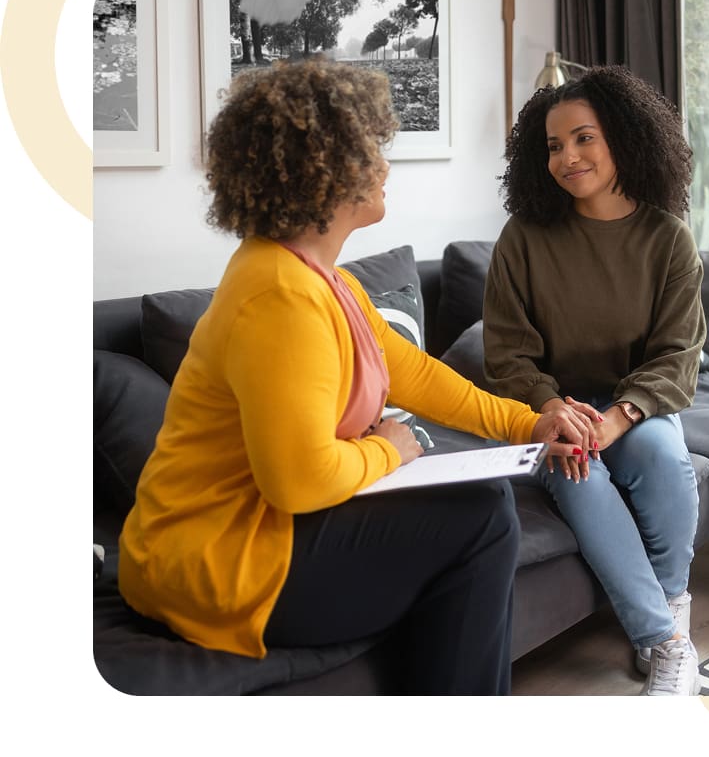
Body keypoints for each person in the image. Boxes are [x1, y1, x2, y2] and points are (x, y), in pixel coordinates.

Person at [117, 58, 597, 696]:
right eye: (370, 149)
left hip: (267, 532)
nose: (384, 166)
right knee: (480, 518)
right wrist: (389, 448)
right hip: (219, 562)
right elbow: (298, 480)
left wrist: (528, 421)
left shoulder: (327, 282)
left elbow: (416, 376)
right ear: (325, 170)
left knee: (479, 504)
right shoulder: (280, 294)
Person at [482, 65, 706, 696]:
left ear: (625, 140)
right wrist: (553, 407)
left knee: (665, 459)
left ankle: (671, 607)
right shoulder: (523, 238)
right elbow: (507, 354)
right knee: (578, 473)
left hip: (635, 403)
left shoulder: (668, 239)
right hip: (548, 405)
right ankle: (665, 643)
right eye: (553, 145)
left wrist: (620, 417)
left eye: (584, 138)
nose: (567, 157)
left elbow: (677, 354)